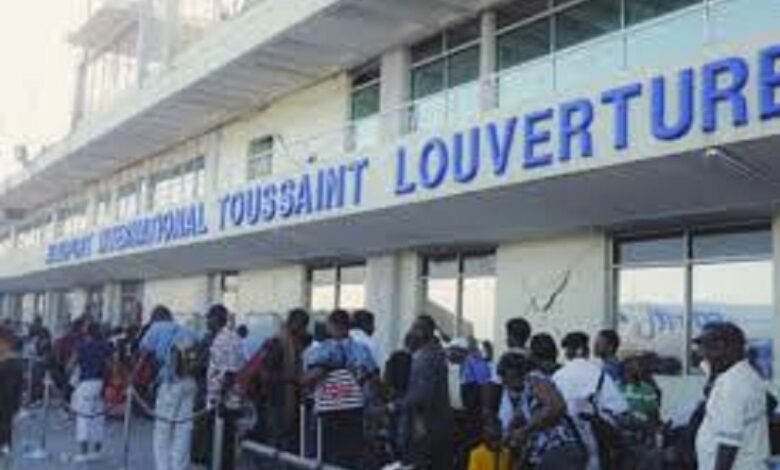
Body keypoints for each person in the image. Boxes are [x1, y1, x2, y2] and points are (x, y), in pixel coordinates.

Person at [304, 309, 378, 468]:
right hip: (355, 408)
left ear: (331, 326)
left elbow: (315, 374)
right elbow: (374, 379)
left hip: (329, 408)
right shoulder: (362, 349)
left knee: (325, 455)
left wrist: (302, 380)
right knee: (350, 455)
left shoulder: (324, 348)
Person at [695, 322, 769, 470]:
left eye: (705, 346)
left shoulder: (732, 385)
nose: (701, 353)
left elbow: (728, 445)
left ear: (721, 347)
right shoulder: (744, 373)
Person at [498, 352, 587, 469]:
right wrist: (508, 434)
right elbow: (519, 417)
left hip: (557, 447)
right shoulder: (523, 392)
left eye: (505, 377)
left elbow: (557, 406)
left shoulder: (534, 379)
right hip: (543, 453)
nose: (504, 382)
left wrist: (526, 430)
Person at [387, 315, 454, 470]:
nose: (411, 331)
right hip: (432, 426)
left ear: (425, 331)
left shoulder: (427, 357)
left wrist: (394, 406)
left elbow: (421, 395)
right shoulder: (431, 354)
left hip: (426, 427)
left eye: (415, 327)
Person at [553, 331, 628, 470]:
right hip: (593, 444)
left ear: (572, 352)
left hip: (564, 442)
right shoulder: (600, 374)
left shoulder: (557, 376)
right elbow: (619, 408)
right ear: (584, 350)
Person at [139, 305, 199, 470]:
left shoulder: (156, 328)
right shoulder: (187, 330)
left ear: (155, 318)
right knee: (183, 429)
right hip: (190, 383)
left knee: (163, 430)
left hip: (170, 384)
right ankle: (179, 467)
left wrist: (138, 377)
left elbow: (143, 353)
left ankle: (163, 467)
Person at [253, 308, 311, 452]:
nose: (304, 329)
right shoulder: (277, 343)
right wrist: (291, 378)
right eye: (302, 325)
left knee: (288, 441)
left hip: (291, 401)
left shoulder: (297, 343)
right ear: (293, 323)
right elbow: (264, 375)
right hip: (277, 401)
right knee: (276, 441)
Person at [206, 304, 246, 470]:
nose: (207, 321)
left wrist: (220, 399)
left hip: (224, 401)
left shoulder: (226, 339)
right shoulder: (223, 337)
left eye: (209, 317)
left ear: (216, 318)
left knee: (222, 444)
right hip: (221, 398)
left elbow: (230, 372)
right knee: (221, 443)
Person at [447, 337, 491, 469]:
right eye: (450, 351)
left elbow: (483, 388)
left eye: (453, 351)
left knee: (468, 450)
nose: (450, 354)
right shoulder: (449, 366)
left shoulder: (476, 365)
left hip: (472, 417)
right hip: (454, 417)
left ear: (462, 352)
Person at [71, 322, 113, 463]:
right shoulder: (106, 345)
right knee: (98, 418)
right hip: (101, 383)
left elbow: (71, 363)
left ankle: (83, 452)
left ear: (87, 333)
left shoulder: (82, 346)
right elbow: (111, 365)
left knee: (83, 418)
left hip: (86, 383)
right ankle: (96, 451)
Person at [0, 327, 22, 461]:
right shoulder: (14, 363)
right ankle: (6, 445)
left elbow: (18, 385)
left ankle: (5, 444)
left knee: (5, 421)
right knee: (6, 421)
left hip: (6, 398)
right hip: (8, 399)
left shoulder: (11, 363)